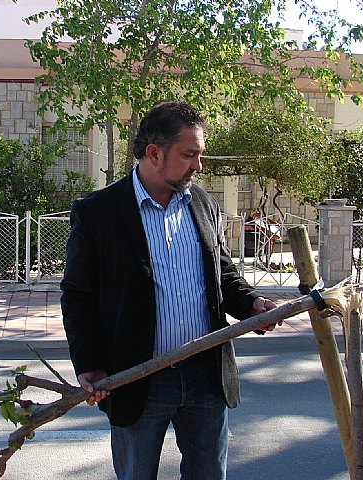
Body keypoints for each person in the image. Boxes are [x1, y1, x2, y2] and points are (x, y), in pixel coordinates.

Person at [60, 100, 277, 480]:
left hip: (206, 377)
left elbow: (221, 273)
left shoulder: (203, 206)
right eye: (189, 154)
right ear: (154, 153)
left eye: (199, 154)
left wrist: (252, 304)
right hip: (136, 377)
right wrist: (90, 363)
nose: (198, 166)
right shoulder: (99, 212)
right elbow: (78, 294)